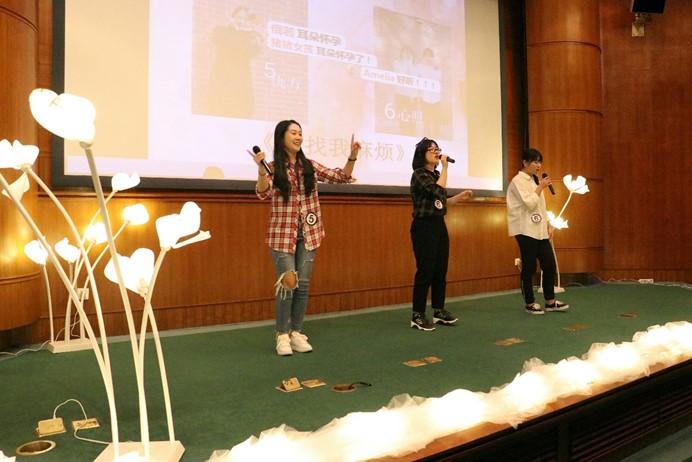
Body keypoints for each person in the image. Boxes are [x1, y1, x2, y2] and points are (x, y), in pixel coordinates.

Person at [251, 120, 361, 355]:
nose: (298, 137)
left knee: (302, 286)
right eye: (293, 133)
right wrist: (261, 169)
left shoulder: (308, 165)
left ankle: (296, 333)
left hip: (309, 233)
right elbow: (262, 192)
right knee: (289, 282)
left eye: (300, 133)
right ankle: (282, 334)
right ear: (281, 138)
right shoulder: (272, 167)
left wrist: (352, 156)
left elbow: (340, 176)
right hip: (282, 235)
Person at [409, 137, 473, 331]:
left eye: (438, 149)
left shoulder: (436, 174)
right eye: (432, 149)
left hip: (438, 224)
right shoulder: (419, 174)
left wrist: (459, 197)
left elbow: (440, 202)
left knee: (440, 270)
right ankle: (417, 315)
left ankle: (438, 310)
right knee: (425, 270)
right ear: (422, 154)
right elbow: (438, 191)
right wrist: (445, 167)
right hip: (423, 226)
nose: (437, 152)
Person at [506, 147, 569, 315]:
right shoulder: (517, 181)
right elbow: (529, 204)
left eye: (540, 162)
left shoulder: (534, 180)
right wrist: (541, 186)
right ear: (525, 162)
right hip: (524, 229)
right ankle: (530, 303)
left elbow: (540, 206)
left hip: (539, 229)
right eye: (535, 162)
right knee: (529, 267)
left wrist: (548, 223)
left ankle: (550, 301)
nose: (539, 165)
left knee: (549, 264)